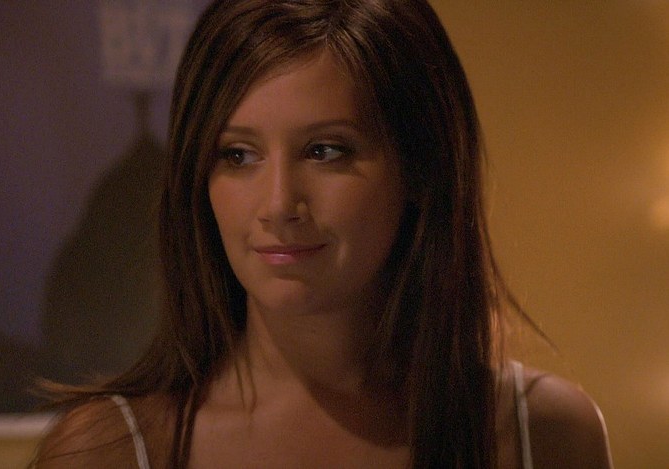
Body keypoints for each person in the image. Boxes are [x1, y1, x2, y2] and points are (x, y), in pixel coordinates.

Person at [32, 0, 613, 467]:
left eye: (325, 151)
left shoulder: (544, 434)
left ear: (419, 167)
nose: (278, 205)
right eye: (238, 155)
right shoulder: (110, 451)